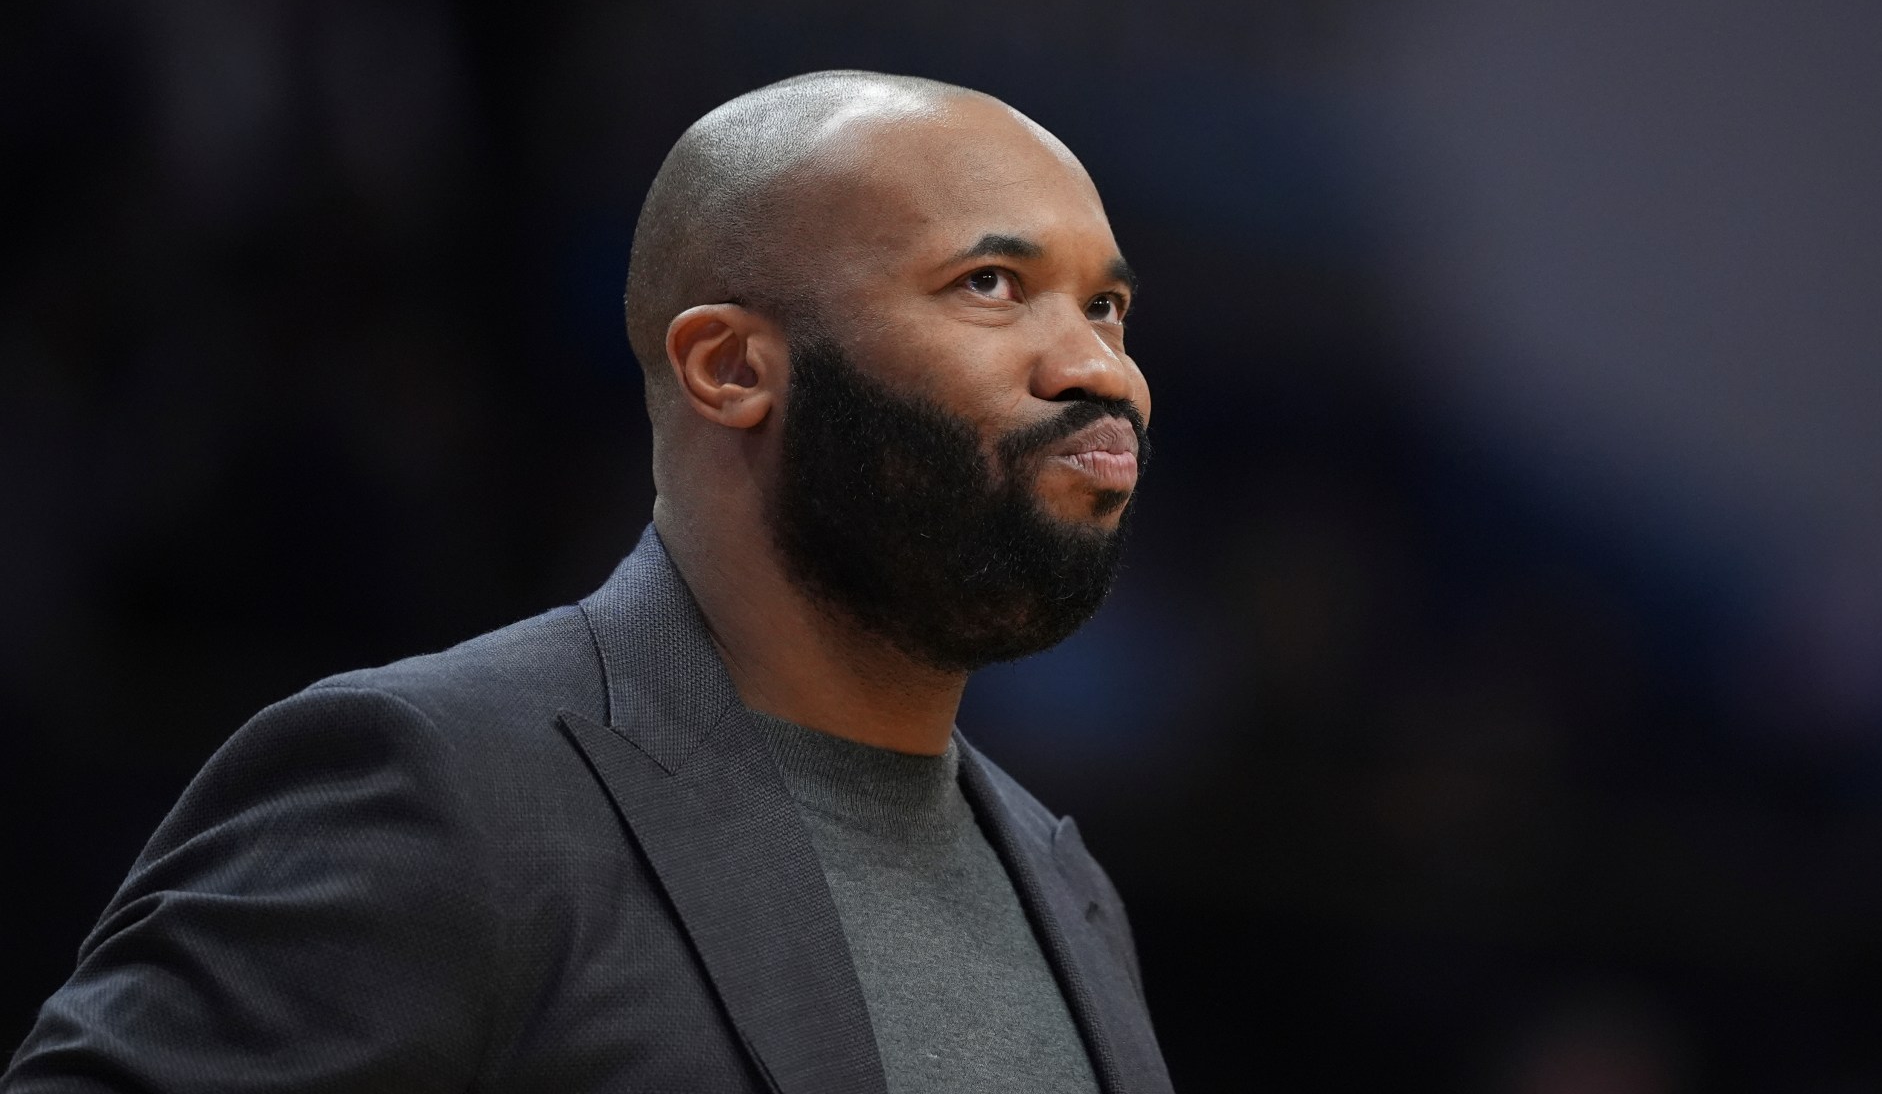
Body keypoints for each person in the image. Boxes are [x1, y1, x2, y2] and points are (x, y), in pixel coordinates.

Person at [6, 72, 1174, 1094]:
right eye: (987, 284)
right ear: (730, 367)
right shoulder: (443, 789)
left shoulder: (1065, 885)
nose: (1097, 367)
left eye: (1106, 306)